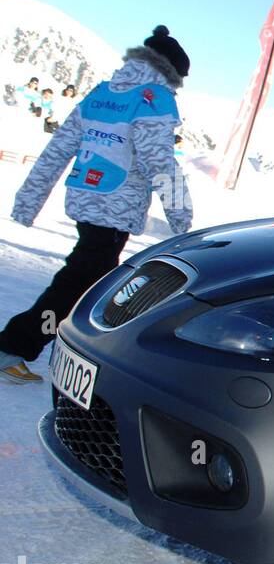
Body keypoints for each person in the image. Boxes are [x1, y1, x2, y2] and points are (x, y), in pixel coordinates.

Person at [1, 26, 193, 385]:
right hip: (116, 205)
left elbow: (57, 149)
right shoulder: (155, 99)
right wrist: (180, 212)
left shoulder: (103, 93)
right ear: (172, 72)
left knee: (95, 282)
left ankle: (79, 350)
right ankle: (13, 347)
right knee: (79, 283)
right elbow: (159, 161)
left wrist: (29, 200)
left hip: (85, 198)